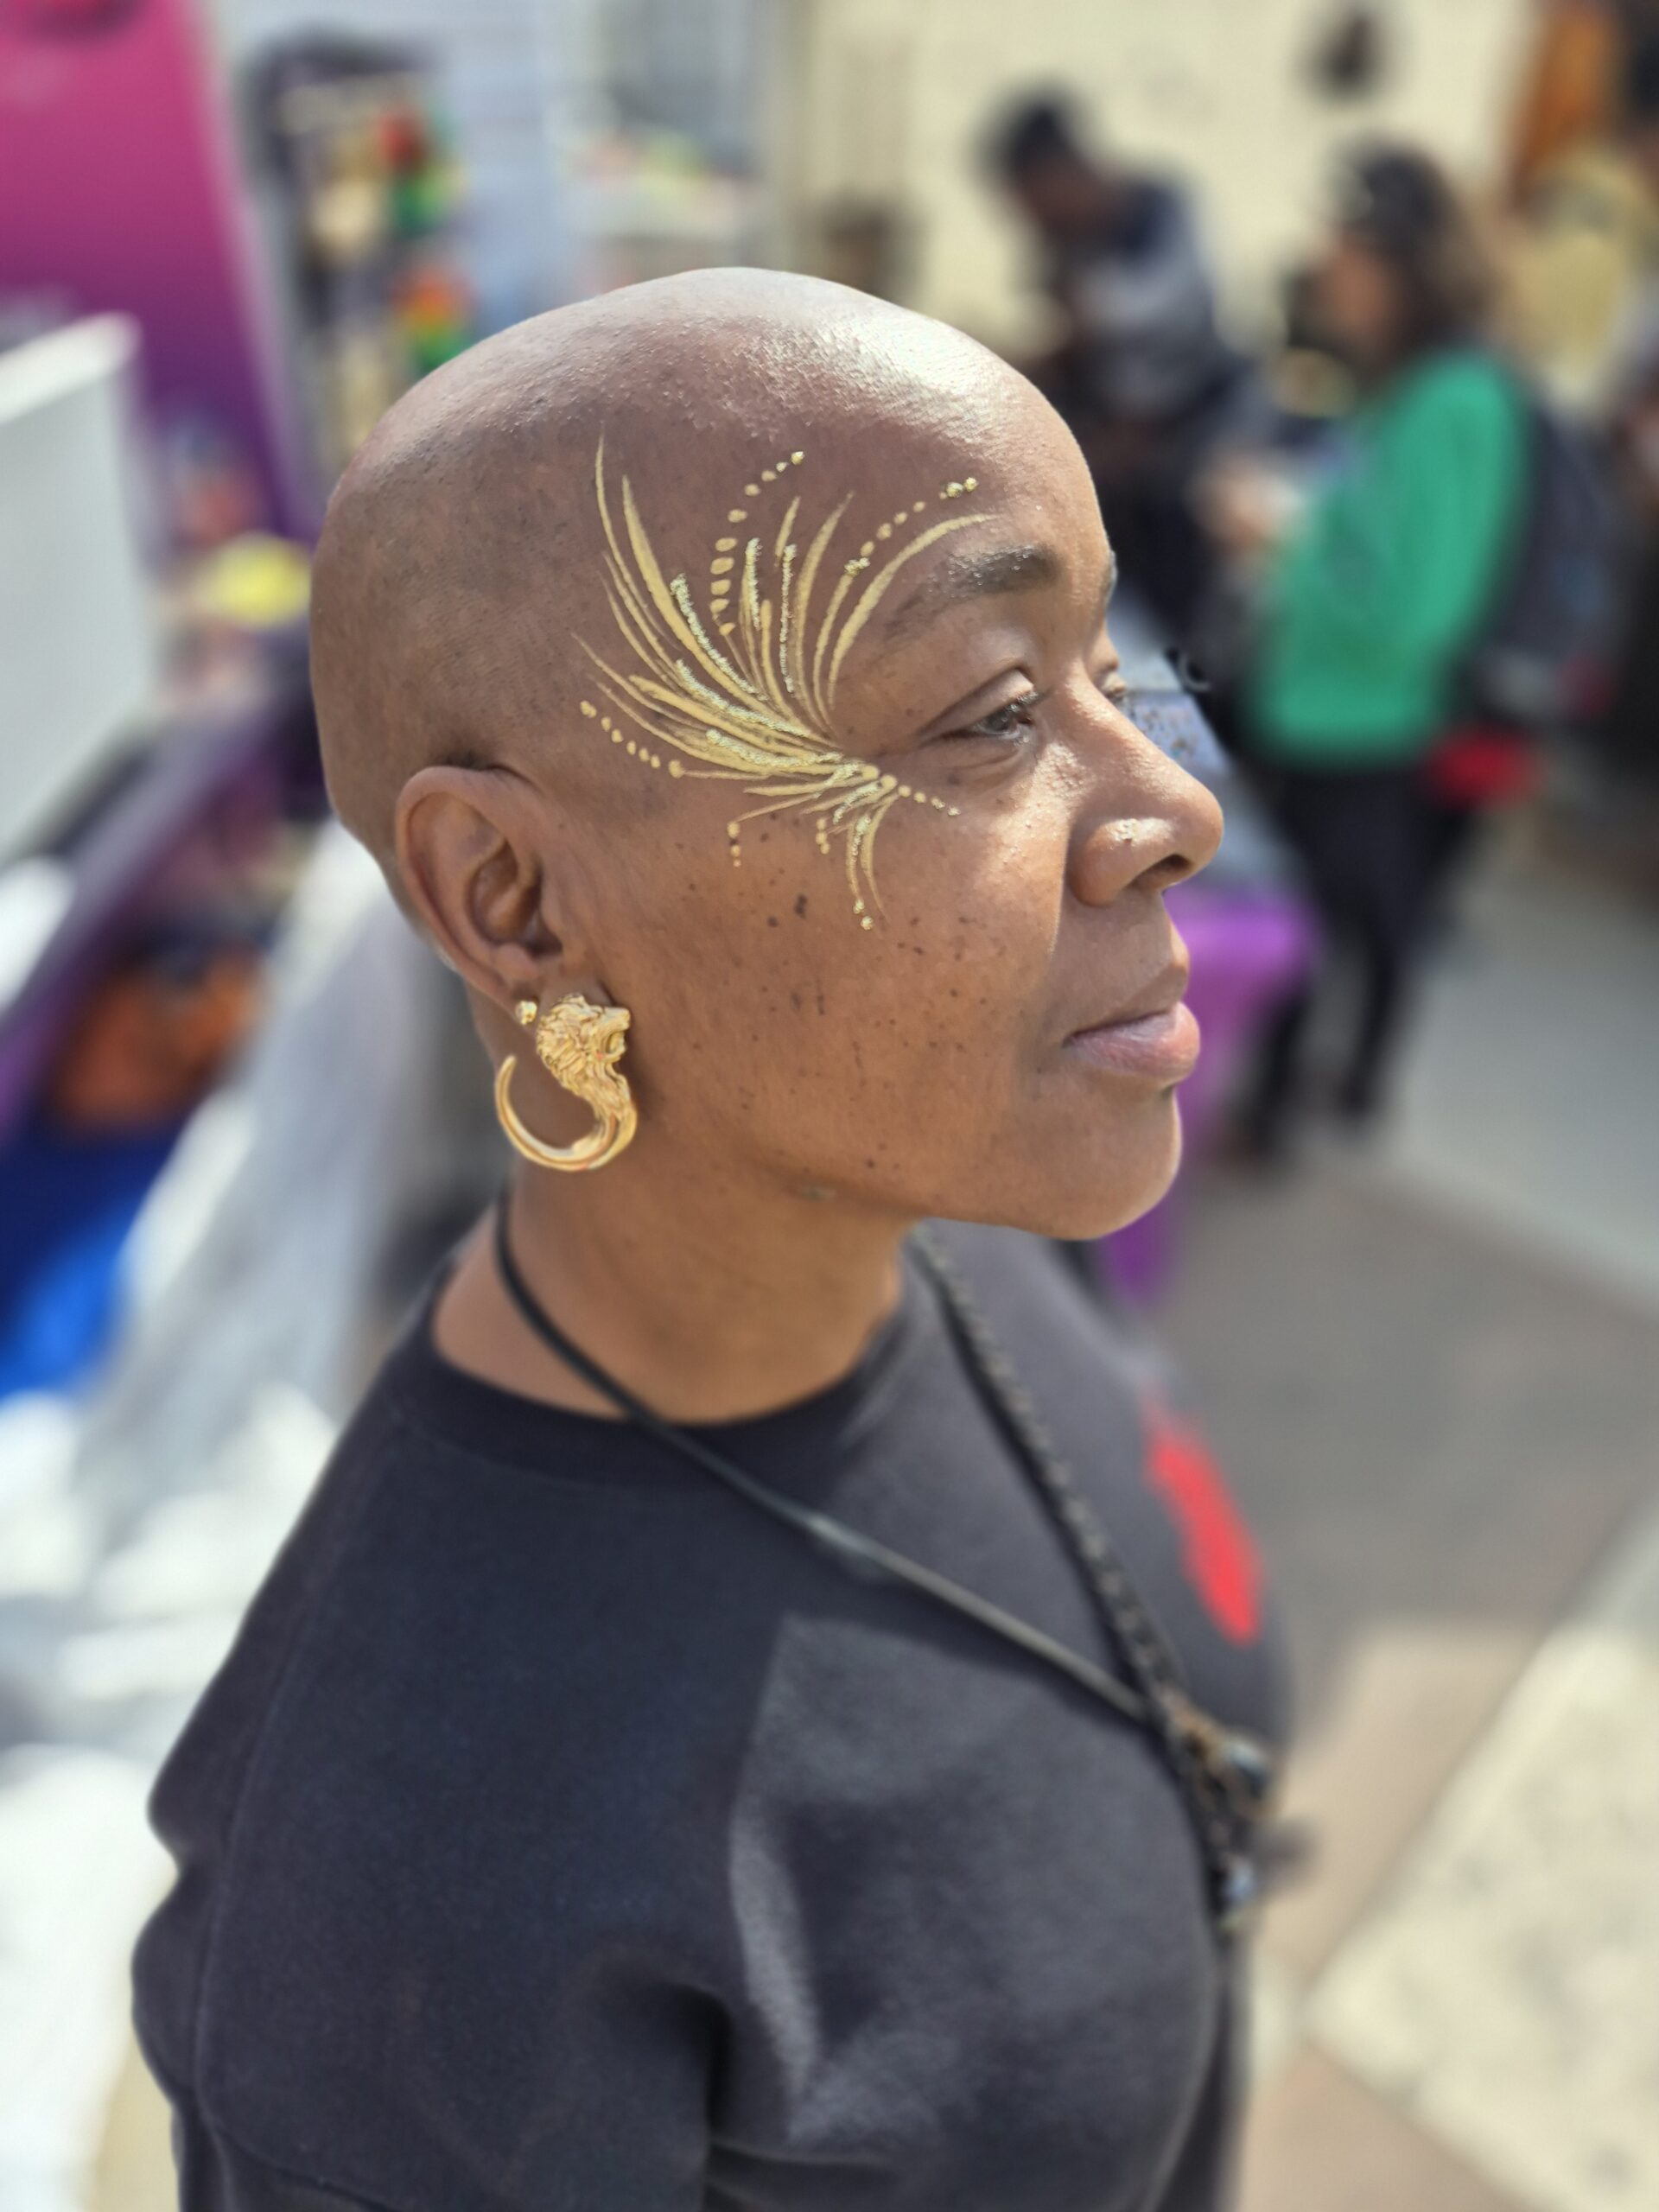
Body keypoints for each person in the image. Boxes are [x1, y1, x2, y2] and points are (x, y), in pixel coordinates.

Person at [131, 270, 1287, 2211]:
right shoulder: (396, 1930)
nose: (1175, 805)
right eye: (996, 713)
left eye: (1113, 671)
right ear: (517, 899)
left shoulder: (962, 1231)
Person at [1223, 149, 1529, 1157]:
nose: (1328, 269)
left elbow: (1413, 612)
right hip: (1324, 698)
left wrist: (1279, 539)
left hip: (1361, 715)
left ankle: (1285, 1111)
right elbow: (1368, 535)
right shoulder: (1399, 385)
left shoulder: (1455, 399)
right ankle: (1343, 1087)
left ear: (1403, 262)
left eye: (1347, 251)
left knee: (1323, 918)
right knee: (1361, 910)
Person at [988, 94, 1255, 644]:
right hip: (1122, 473)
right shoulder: (1064, 243)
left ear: (1060, 174)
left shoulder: (1160, 209)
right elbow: (1074, 350)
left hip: (1199, 445)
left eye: (1033, 201)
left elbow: (1173, 312)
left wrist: (1092, 310)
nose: (1031, 221)